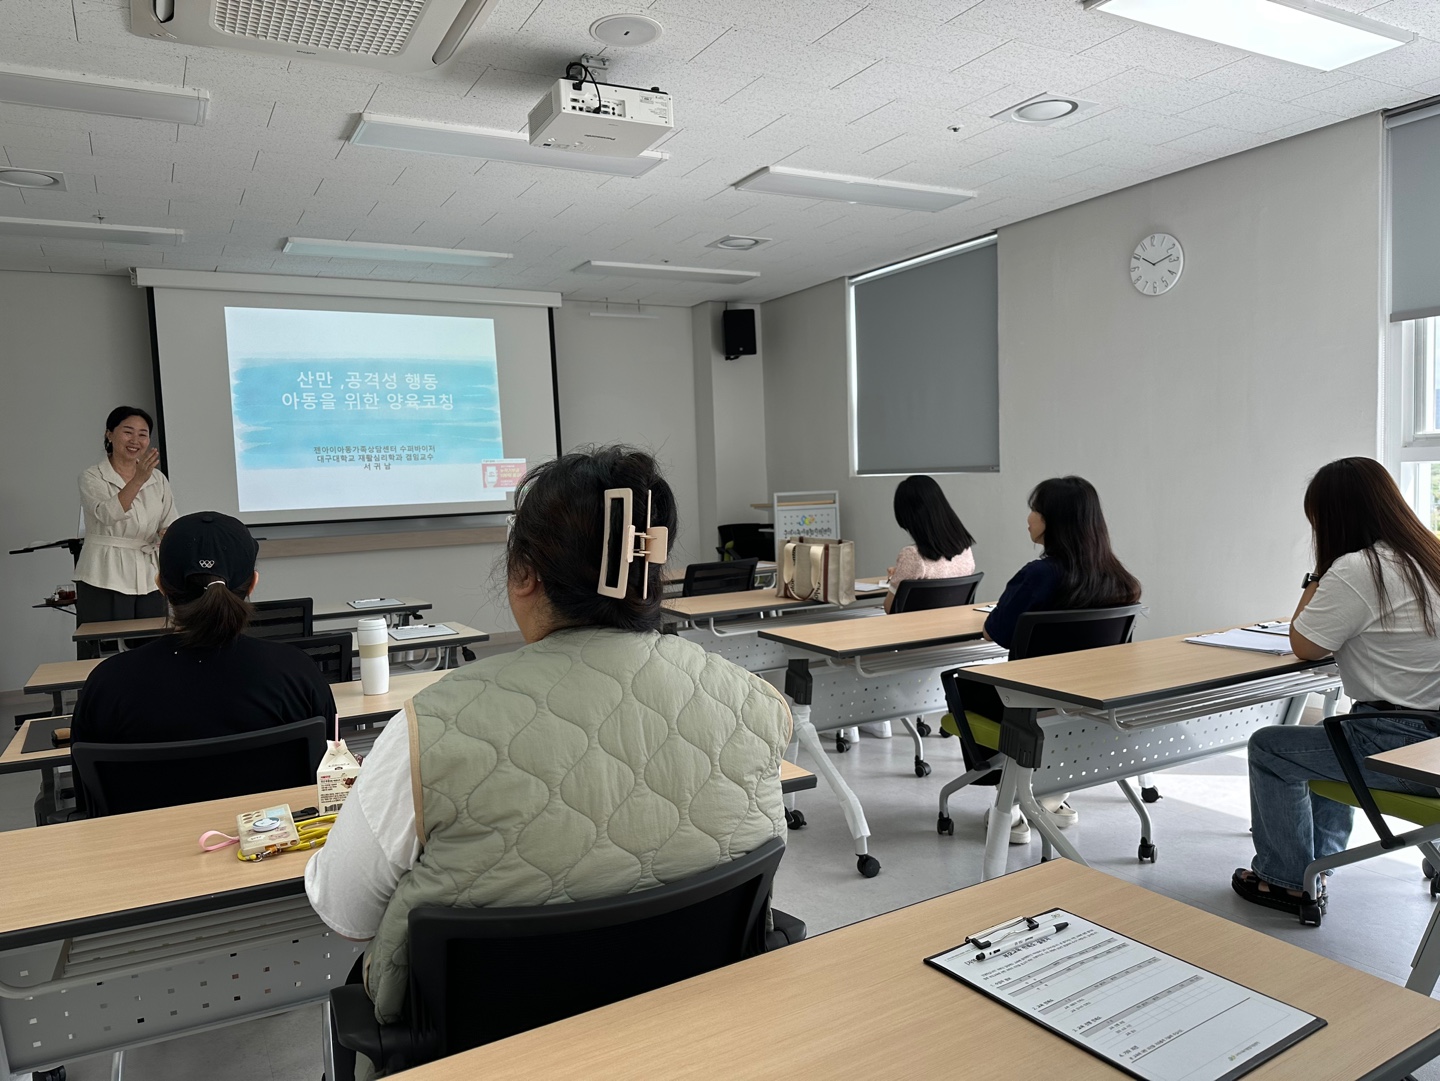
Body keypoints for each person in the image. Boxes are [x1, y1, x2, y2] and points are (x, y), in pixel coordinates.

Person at [305, 447, 793, 1034]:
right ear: (651, 571)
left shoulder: (429, 727)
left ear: (524, 573)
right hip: (686, 1031)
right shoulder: (754, 705)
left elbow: (345, 912)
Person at [1233, 457, 1440, 916]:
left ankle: (1285, 880)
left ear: (1332, 517)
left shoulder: (1358, 569)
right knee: (1335, 728)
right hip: (1433, 744)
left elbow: (1305, 645)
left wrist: (1316, 575)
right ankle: (1321, 862)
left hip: (1400, 745)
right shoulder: (1430, 556)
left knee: (1270, 746)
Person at [70, 511, 336, 747]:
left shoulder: (109, 683)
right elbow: (334, 770)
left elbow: (89, 790)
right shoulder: (297, 673)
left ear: (160, 585)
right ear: (253, 583)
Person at [972, 476, 1142, 843]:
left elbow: (995, 632)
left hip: (1027, 709)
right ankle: (1051, 795)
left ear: (1054, 520)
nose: (1029, 518)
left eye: (1035, 510)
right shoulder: (1122, 582)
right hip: (1090, 707)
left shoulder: (1038, 575)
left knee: (965, 684)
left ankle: (1009, 806)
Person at [74, 407, 177, 655]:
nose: (136, 440)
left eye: (143, 434)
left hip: (149, 573)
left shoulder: (158, 479)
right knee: (106, 648)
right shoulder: (92, 476)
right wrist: (138, 479)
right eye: (128, 432)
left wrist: (168, 534)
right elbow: (107, 515)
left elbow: (170, 521)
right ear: (109, 434)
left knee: (153, 646)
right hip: (104, 572)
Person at [883, 475, 976, 615]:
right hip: (954, 629)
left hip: (914, 632)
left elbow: (890, 607)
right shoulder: (965, 551)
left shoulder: (912, 555)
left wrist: (898, 576)